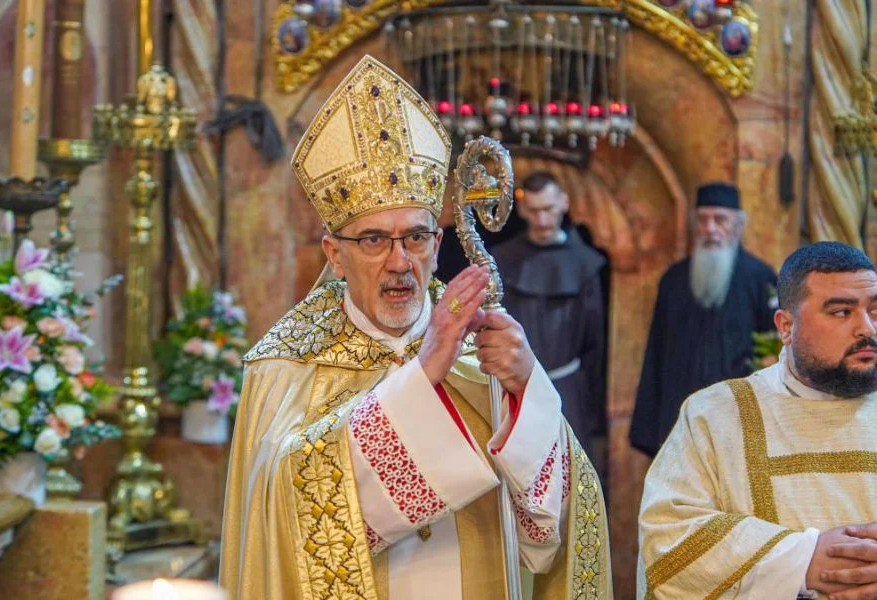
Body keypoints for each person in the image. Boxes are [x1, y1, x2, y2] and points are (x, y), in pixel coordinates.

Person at [219, 55, 612, 599]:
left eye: (417, 237)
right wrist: (425, 373)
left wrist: (527, 392)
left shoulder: (484, 350)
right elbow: (288, 514)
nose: (400, 261)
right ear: (335, 254)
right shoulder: (286, 362)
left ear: (438, 244)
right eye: (375, 240)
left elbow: (553, 530)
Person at [637, 241, 877, 599]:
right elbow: (668, 540)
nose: (867, 328)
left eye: (875, 310)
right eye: (842, 312)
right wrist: (801, 561)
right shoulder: (715, 414)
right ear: (785, 326)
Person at [629, 182, 777, 457]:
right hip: (678, 415)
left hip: (738, 417)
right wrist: (648, 429)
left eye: (720, 220)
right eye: (703, 220)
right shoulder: (673, 280)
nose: (710, 229)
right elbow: (655, 354)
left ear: (738, 225)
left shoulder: (761, 279)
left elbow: (774, 353)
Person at [492, 171, 607, 467]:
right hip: (515, 389)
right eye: (533, 210)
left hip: (568, 389)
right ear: (521, 209)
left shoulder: (585, 265)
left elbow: (595, 342)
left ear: (564, 204)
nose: (542, 220)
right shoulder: (503, 259)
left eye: (549, 209)